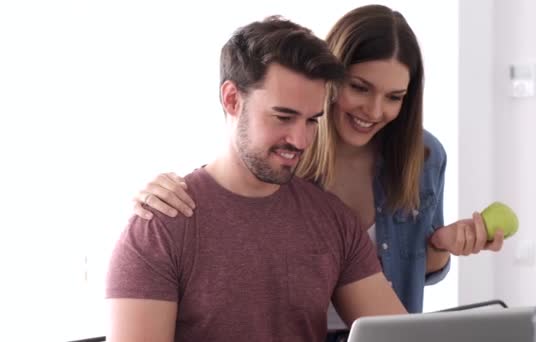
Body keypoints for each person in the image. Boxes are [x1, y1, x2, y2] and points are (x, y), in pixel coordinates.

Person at [130, 4, 506, 336]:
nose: (374, 111)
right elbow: (235, 170)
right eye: (360, 88)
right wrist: (162, 195)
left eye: (394, 97)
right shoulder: (278, 164)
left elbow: (414, 283)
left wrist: (438, 245)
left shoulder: (419, 158)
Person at [106, 15, 407, 342]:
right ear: (232, 99)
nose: (301, 140)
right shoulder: (161, 226)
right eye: (284, 117)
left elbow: (405, 338)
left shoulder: (333, 221)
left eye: (311, 121)